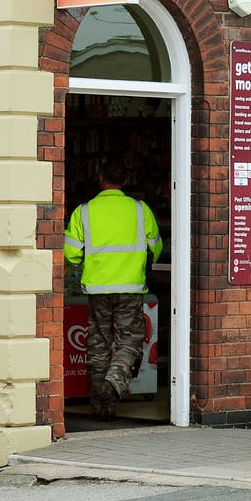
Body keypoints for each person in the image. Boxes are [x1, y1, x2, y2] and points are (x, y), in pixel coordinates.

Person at [63, 157, 163, 419]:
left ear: (100, 179)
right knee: (129, 341)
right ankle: (114, 382)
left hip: (96, 289)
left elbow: (70, 253)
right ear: (126, 181)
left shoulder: (84, 211)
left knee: (97, 346)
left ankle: (102, 407)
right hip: (130, 288)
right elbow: (157, 247)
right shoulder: (141, 210)